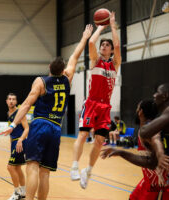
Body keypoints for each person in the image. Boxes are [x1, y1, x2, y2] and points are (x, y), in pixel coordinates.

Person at [0, 24, 93, 200]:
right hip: (56, 128)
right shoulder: (67, 78)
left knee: (32, 166)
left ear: (50, 67)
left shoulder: (40, 82)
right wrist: (85, 38)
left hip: (40, 125)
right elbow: (75, 56)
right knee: (45, 172)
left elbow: (26, 104)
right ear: (63, 69)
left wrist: (13, 124)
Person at [70, 11, 121, 189]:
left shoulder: (115, 64)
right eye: (103, 45)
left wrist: (113, 26)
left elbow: (117, 44)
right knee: (83, 134)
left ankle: (88, 171)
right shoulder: (95, 60)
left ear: (111, 50)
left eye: (107, 45)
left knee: (99, 141)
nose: (104, 46)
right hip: (91, 103)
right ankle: (74, 167)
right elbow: (91, 42)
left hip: (105, 107)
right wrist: (100, 27)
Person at [101, 99, 169, 200]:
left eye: (137, 108)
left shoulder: (149, 130)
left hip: (158, 184)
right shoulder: (147, 128)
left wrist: (121, 152)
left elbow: (152, 162)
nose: (136, 111)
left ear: (140, 111)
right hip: (148, 180)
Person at [6, 93, 29, 200]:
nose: (11, 101)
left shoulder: (20, 112)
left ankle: (17, 193)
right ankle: (23, 192)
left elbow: (27, 128)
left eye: (13, 99)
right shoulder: (9, 113)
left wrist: (20, 140)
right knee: (18, 168)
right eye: (9, 99)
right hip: (14, 142)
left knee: (10, 167)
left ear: (16, 101)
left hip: (20, 141)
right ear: (6, 101)